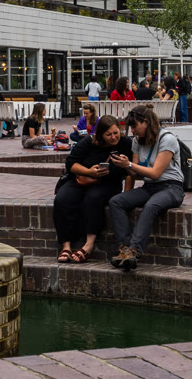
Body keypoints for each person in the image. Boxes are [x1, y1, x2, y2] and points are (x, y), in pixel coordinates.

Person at [107, 105, 184, 272]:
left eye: (135, 126)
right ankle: (124, 249)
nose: (133, 130)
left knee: (151, 206)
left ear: (146, 122)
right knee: (116, 201)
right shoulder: (137, 141)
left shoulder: (167, 139)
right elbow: (135, 172)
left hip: (171, 187)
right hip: (149, 187)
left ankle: (134, 251)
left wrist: (129, 164)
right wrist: (124, 165)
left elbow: (156, 173)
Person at [54, 114, 124, 264]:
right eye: (109, 134)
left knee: (93, 198)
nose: (113, 137)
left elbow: (130, 172)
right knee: (62, 199)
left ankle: (89, 244)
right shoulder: (89, 141)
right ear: (100, 134)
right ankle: (66, 246)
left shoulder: (125, 143)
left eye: (115, 133)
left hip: (108, 184)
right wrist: (89, 172)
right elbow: (70, 164)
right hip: (82, 179)